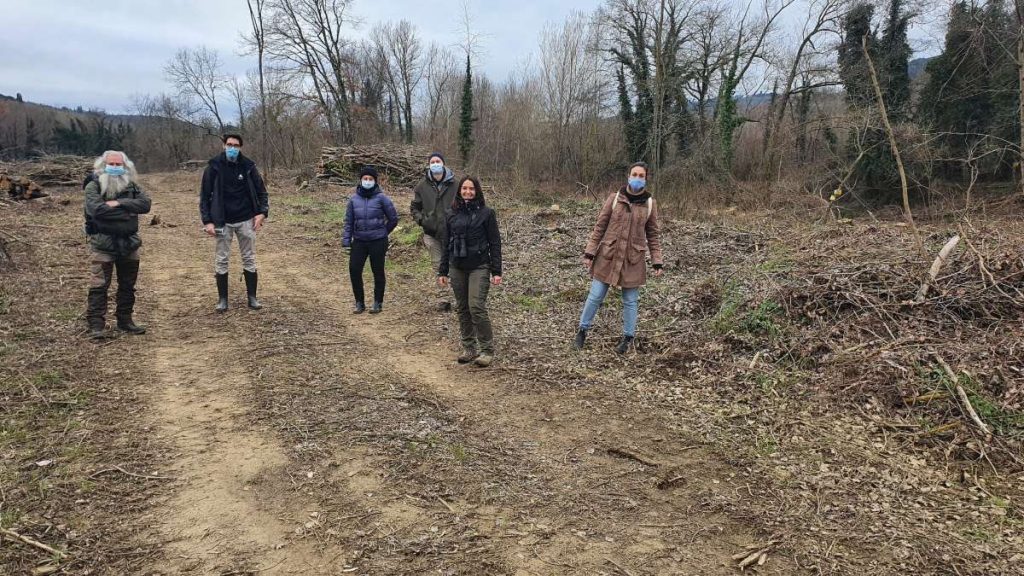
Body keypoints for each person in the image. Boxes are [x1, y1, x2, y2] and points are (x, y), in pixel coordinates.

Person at [573, 162, 663, 354]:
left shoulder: (649, 204)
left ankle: (627, 338)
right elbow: (600, 227)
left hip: (633, 259)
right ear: (628, 176)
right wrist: (590, 252)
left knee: (630, 301)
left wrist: (657, 261)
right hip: (608, 256)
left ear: (646, 179)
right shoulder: (614, 199)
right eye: (634, 174)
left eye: (641, 175)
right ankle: (582, 331)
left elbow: (653, 235)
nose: (637, 178)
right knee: (595, 295)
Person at [83, 151, 152, 339]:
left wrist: (119, 202)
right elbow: (96, 210)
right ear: (103, 165)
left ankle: (125, 321)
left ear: (125, 165)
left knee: (128, 284)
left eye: (118, 164)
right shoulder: (93, 185)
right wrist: (127, 212)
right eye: (111, 164)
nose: (115, 167)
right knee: (99, 285)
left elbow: (145, 205)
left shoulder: (132, 185)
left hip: (129, 243)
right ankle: (96, 325)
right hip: (103, 244)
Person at [199, 133, 269, 312]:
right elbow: (205, 197)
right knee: (222, 259)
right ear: (223, 145)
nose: (232, 148)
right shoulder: (213, 167)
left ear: (241, 147)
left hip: (246, 219)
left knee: (249, 258)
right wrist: (207, 221)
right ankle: (222, 299)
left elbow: (262, 192)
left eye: (236, 145)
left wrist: (262, 213)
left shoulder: (248, 166)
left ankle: (252, 297)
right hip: (222, 221)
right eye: (229, 144)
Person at [437, 176, 503, 367]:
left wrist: (496, 271)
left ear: (477, 191)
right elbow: (445, 244)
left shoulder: (487, 214)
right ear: (459, 191)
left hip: (480, 266)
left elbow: (495, 243)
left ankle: (487, 350)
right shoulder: (451, 214)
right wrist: (443, 271)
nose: (468, 192)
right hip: (456, 266)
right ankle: (469, 347)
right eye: (464, 188)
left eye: (471, 189)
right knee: (462, 307)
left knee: (476, 306)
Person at [343, 166, 399, 314]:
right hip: (359, 241)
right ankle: (359, 302)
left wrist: (383, 232)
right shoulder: (353, 200)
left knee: (378, 271)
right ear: (360, 181)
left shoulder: (382, 198)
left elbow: (393, 218)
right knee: (354, 270)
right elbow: (348, 222)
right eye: (365, 179)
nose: (367, 181)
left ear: (375, 181)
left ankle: (377, 302)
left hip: (378, 241)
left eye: (370, 179)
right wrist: (346, 241)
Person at [411, 151, 457, 310]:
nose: (435, 164)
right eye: (432, 162)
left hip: (453, 233)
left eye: (438, 161)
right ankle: (444, 300)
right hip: (431, 234)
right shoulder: (421, 185)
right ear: (429, 165)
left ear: (443, 163)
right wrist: (422, 220)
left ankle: (459, 297)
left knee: (455, 265)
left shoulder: (455, 184)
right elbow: (414, 207)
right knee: (438, 266)